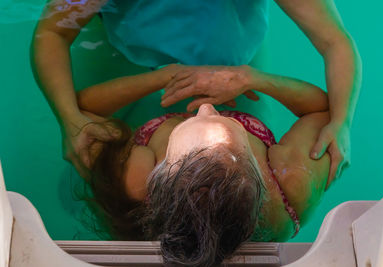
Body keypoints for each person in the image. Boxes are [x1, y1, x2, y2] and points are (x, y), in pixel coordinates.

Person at [31, 0, 361, 187]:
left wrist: (343, 121)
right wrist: (68, 119)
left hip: (237, 59)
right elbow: (51, 33)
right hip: (139, 58)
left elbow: (335, 40)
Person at [74, 63, 330, 266]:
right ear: (258, 171)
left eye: (185, 127)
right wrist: (251, 78)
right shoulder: (290, 185)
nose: (206, 106)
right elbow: (321, 111)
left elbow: (83, 111)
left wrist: (166, 76)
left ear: (159, 177)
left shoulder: (136, 181)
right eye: (228, 123)